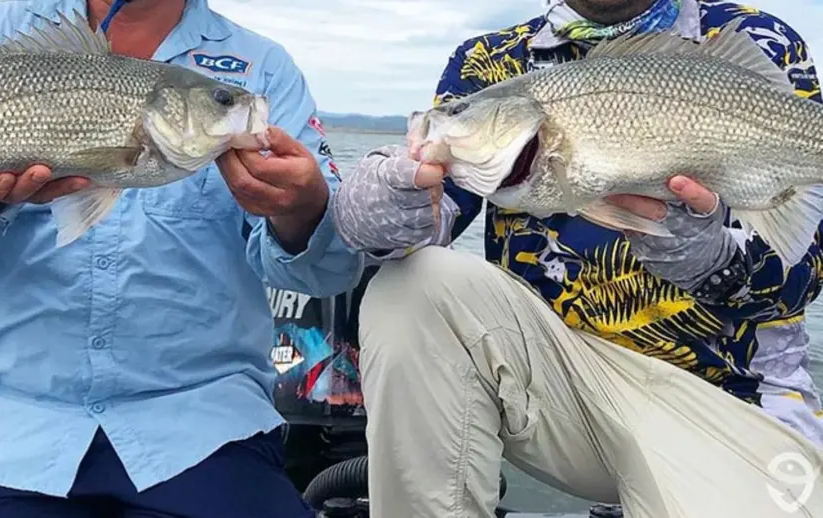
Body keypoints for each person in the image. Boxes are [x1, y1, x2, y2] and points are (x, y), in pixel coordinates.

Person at [333, 0, 823, 516]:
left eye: (458, 115)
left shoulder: (754, 33)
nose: (447, 121)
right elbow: (432, 214)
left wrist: (709, 256)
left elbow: (803, 277)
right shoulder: (490, 60)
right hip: (558, 391)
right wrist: (382, 207)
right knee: (411, 286)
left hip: (727, 401)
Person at [0, 0, 363, 517]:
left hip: (199, 426)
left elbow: (328, 273)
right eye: (221, 102)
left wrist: (302, 211)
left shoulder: (265, 69)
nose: (234, 107)